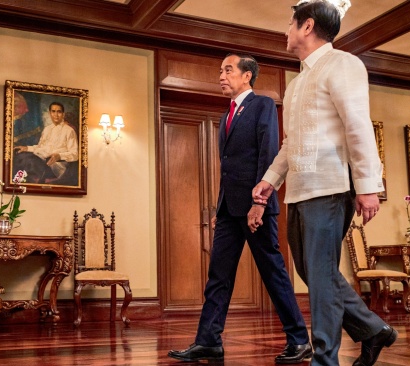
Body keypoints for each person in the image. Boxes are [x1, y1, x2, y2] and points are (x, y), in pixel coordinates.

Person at [252, 1, 394, 365]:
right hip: (299, 190)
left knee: (319, 277)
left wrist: (367, 185)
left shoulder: (344, 64)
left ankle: (325, 358)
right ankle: (374, 330)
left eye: (290, 23)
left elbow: (357, 124)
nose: (285, 30)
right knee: (314, 272)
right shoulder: (298, 82)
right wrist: (270, 180)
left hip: (330, 189)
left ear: (307, 26)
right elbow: (291, 142)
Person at [167, 52, 311, 364]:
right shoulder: (226, 116)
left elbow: (268, 153)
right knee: (218, 275)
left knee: (273, 273)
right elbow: (229, 166)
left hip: (256, 207)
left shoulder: (262, 105)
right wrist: (223, 211)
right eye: (220, 70)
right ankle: (208, 341)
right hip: (229, 211)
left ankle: (299, 340)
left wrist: (259, 202)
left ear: (246, 76)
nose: (221, 75)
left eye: (228, 70)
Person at [13, 102, 78, 184]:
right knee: (20, 156)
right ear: (50, 113)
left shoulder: (69, 130)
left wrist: (59, 156)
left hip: (56, 165)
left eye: (59, 112)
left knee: (29, 160)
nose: (56, 115)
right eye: (53, 111)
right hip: (42, 159)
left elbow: (75, 154)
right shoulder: (47, 129)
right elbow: (41, 147)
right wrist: (27, 148)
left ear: (63, 114)